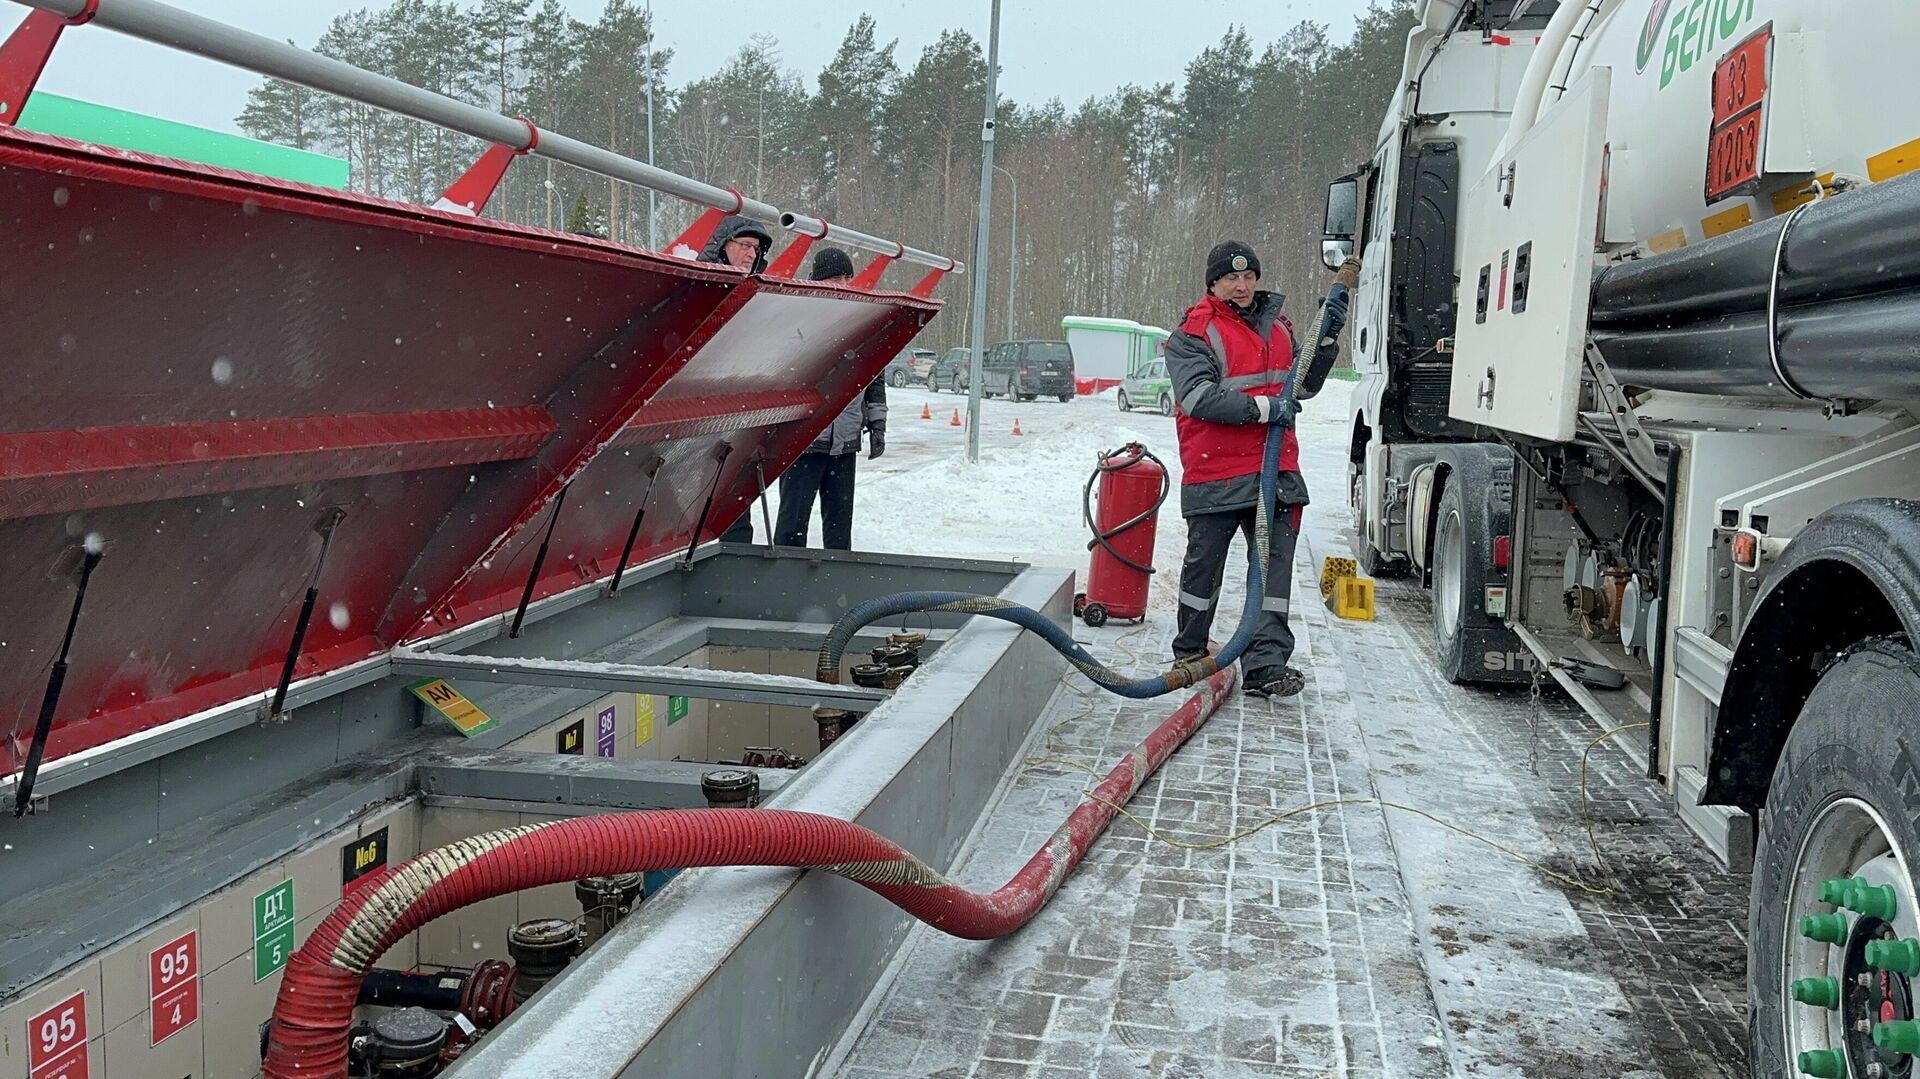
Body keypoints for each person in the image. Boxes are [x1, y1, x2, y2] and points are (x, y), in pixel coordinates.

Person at [1164, 240, 1358, 698]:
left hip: (1277, 471)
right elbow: (1197, 398)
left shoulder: (1280, 325)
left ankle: (1266, 665)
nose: (1242, 285)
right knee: (1203, 569)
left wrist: (1327, 339)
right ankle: (1191, 652)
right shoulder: (1194, 332)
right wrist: (1266, 409)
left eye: (1249, 276)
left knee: (1272, 572)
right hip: (1216, 471)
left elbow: (1304, 385)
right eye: (1232, 277)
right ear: (1214, 283)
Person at [774, 248, 885, 550]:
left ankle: (835, 589)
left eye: (848, 277)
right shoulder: (799, 321)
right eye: (837, 278)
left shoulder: (861, 321)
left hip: (844, 445)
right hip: (803, 443)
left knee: (838, 530)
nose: (845, 284)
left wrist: (877, 425)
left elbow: (874, 376)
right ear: (820, 281)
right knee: (792, 527)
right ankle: (785, 584)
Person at [697, 214, 776, 542]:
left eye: (755, 249)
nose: (750, 254)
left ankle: (736, 557)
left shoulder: (757, 295)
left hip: (737, 414)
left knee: (735, 507)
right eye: (745, 245)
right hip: (697, 413)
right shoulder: (700, 286)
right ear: (723, 245)